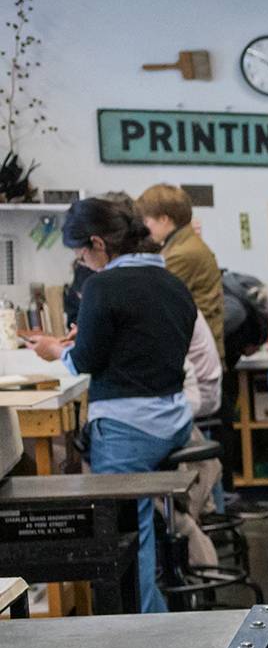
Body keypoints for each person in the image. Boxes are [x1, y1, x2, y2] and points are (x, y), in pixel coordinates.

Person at [31, 195, 196, 614]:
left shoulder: (102, 286)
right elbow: (139, 345)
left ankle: (146, 627)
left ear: (99, 243)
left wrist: (55, 350)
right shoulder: (173, 284)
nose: (82, 263)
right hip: (174, 419)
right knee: (142, 526)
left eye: (81, 254)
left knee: (127, 532)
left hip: (130, 427)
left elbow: (85, 361)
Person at [136, 183, 226, 350]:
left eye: (147, 220)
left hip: (196, 352)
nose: (145, 228)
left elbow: (152, 301)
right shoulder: (184, 245)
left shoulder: (181, 254)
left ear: (164, 219)